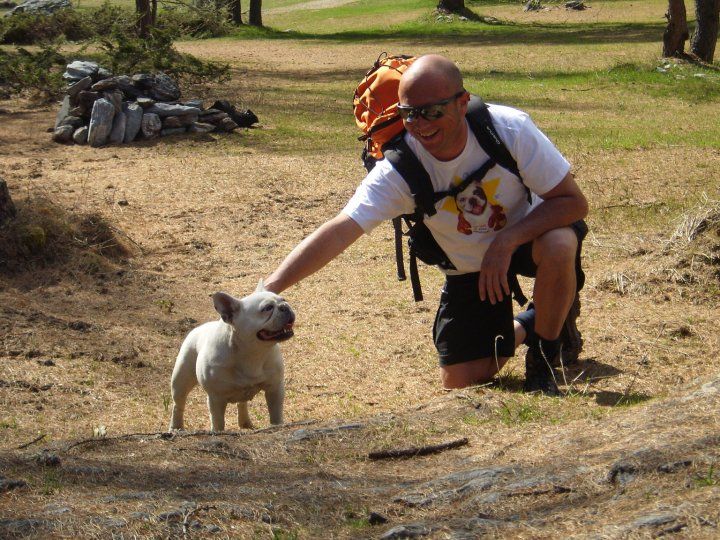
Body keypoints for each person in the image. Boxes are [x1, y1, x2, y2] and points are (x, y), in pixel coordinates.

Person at [265, 54, 589, 395]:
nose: (420, 124)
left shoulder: (509, 130)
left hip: (527, 241)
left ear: (463, 103)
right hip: (469, 268)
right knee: (461, 381)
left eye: (432, 111)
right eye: (408, 114)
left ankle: (544, 359)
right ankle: (537, 318)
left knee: (560, 244)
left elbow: (573, 202)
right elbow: (341, 229)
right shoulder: (400, 169)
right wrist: (269, 289)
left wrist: (507, 241)